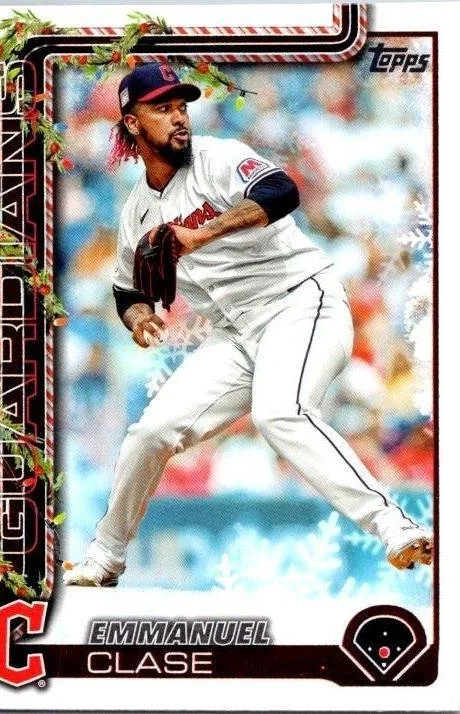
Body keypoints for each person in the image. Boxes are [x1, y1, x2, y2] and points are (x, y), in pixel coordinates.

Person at [64, 63, 432, 587]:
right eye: (162, 108)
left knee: (280, 412)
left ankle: (394, 527)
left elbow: (282, 191)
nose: (179, 117)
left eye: (181, 106)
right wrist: (139, 317)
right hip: (236, 335)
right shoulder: (137, 212)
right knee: (151, 432)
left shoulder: (216, 158)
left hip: (301, 303)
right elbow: (128, 289)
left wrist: (201, 234)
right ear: (131, 123)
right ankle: (105, 557)